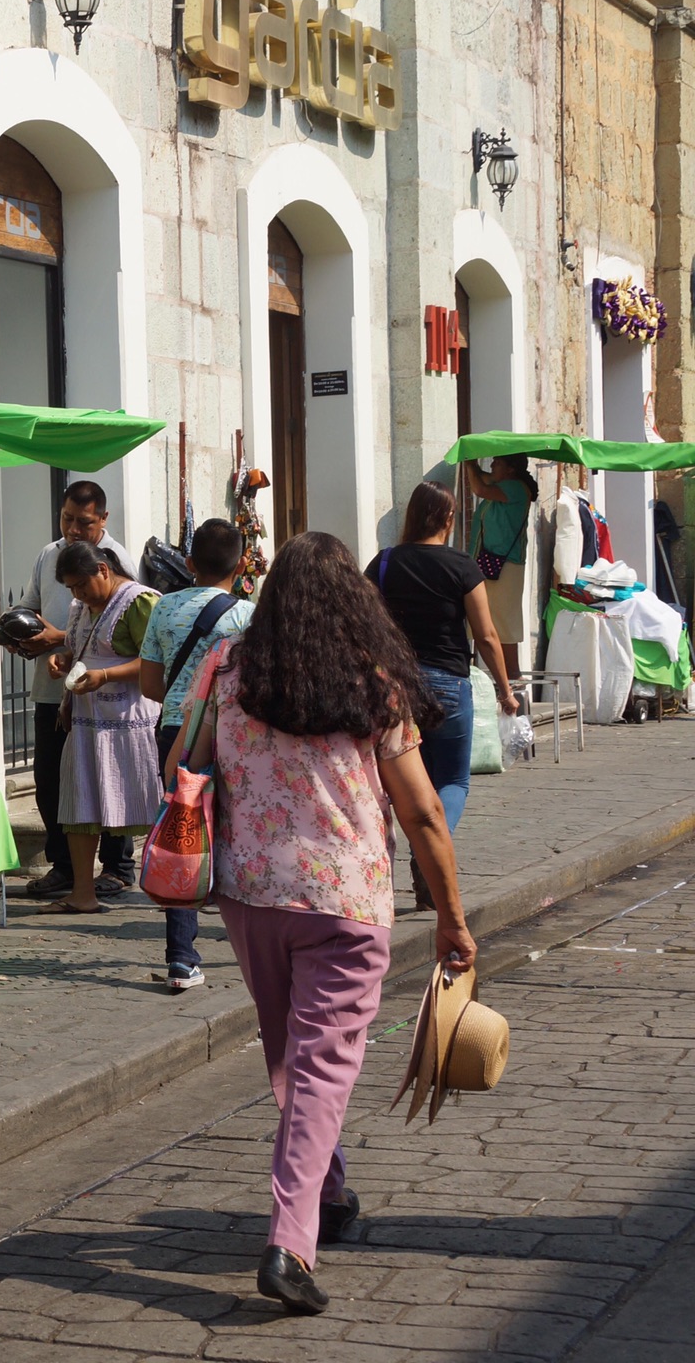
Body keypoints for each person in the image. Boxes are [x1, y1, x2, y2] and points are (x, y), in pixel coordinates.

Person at [166, 532, 476, 1316]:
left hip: (252, 895)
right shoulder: (374, 683)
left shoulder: (226, 670)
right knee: (321, 1068)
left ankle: (328, 1191)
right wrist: (451, 917)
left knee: (293, 1057)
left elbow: (181, 765)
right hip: (346, 902)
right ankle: (291, 1244)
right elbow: (423, 813)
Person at [367, 482, 519, 907]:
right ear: (449, 520)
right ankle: (429, 850)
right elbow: (486, 636)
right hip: (448, 685)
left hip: (394, 688)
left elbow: (361, 620)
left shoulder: (384, 563)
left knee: (396, 780)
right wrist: (505, 691)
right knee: (451, 779)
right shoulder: (462, 566)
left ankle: (412, 856)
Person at [136, 519, 254, 990]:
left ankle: (181, 959)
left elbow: (150, 685)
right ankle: (251, 940)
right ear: (241, 566)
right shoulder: (247, 616)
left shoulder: (164, 608)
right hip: (232, 734)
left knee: (182, 832)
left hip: (176, 734)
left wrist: (186, 698)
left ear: (188, 563)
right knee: (238, 830)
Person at [14, 481, 139, 898]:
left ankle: (117, 866)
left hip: (106, 702)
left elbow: (119, 628)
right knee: (52, 781)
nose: (72, 529)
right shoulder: (48, 554)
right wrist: (21, 629)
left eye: (83, 522)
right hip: (57, 692)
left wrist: (60, 639)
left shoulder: (115, 561)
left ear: (103, 519)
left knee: (109, 780)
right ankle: (65, 867)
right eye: (66, 518)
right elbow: (31, 604)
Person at [43, 541, 161, 915]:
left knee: (154, 807)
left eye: (81, 585)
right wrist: (63, 658)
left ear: (104, 570)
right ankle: (83, 893)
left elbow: (156, 660)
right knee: (80, 806)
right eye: (71, 588)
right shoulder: (81, 608)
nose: (77, 594)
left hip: (128, 724)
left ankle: (174, 886)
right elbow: (81, 647)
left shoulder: (139, 602)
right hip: (85, 723)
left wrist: (106, 675)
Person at [463, 454, 536, 673]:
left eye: (498, 462)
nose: (493, 465)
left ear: (511, 469)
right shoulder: (504, 485)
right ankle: (502, 677)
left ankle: (512, 677)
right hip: (491, 563)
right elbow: (483, 478)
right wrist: (473, 466)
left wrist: (469, 462)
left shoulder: (515, 487)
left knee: (502, 624)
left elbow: (479, 489)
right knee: (489, 620)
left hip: (504, 566)